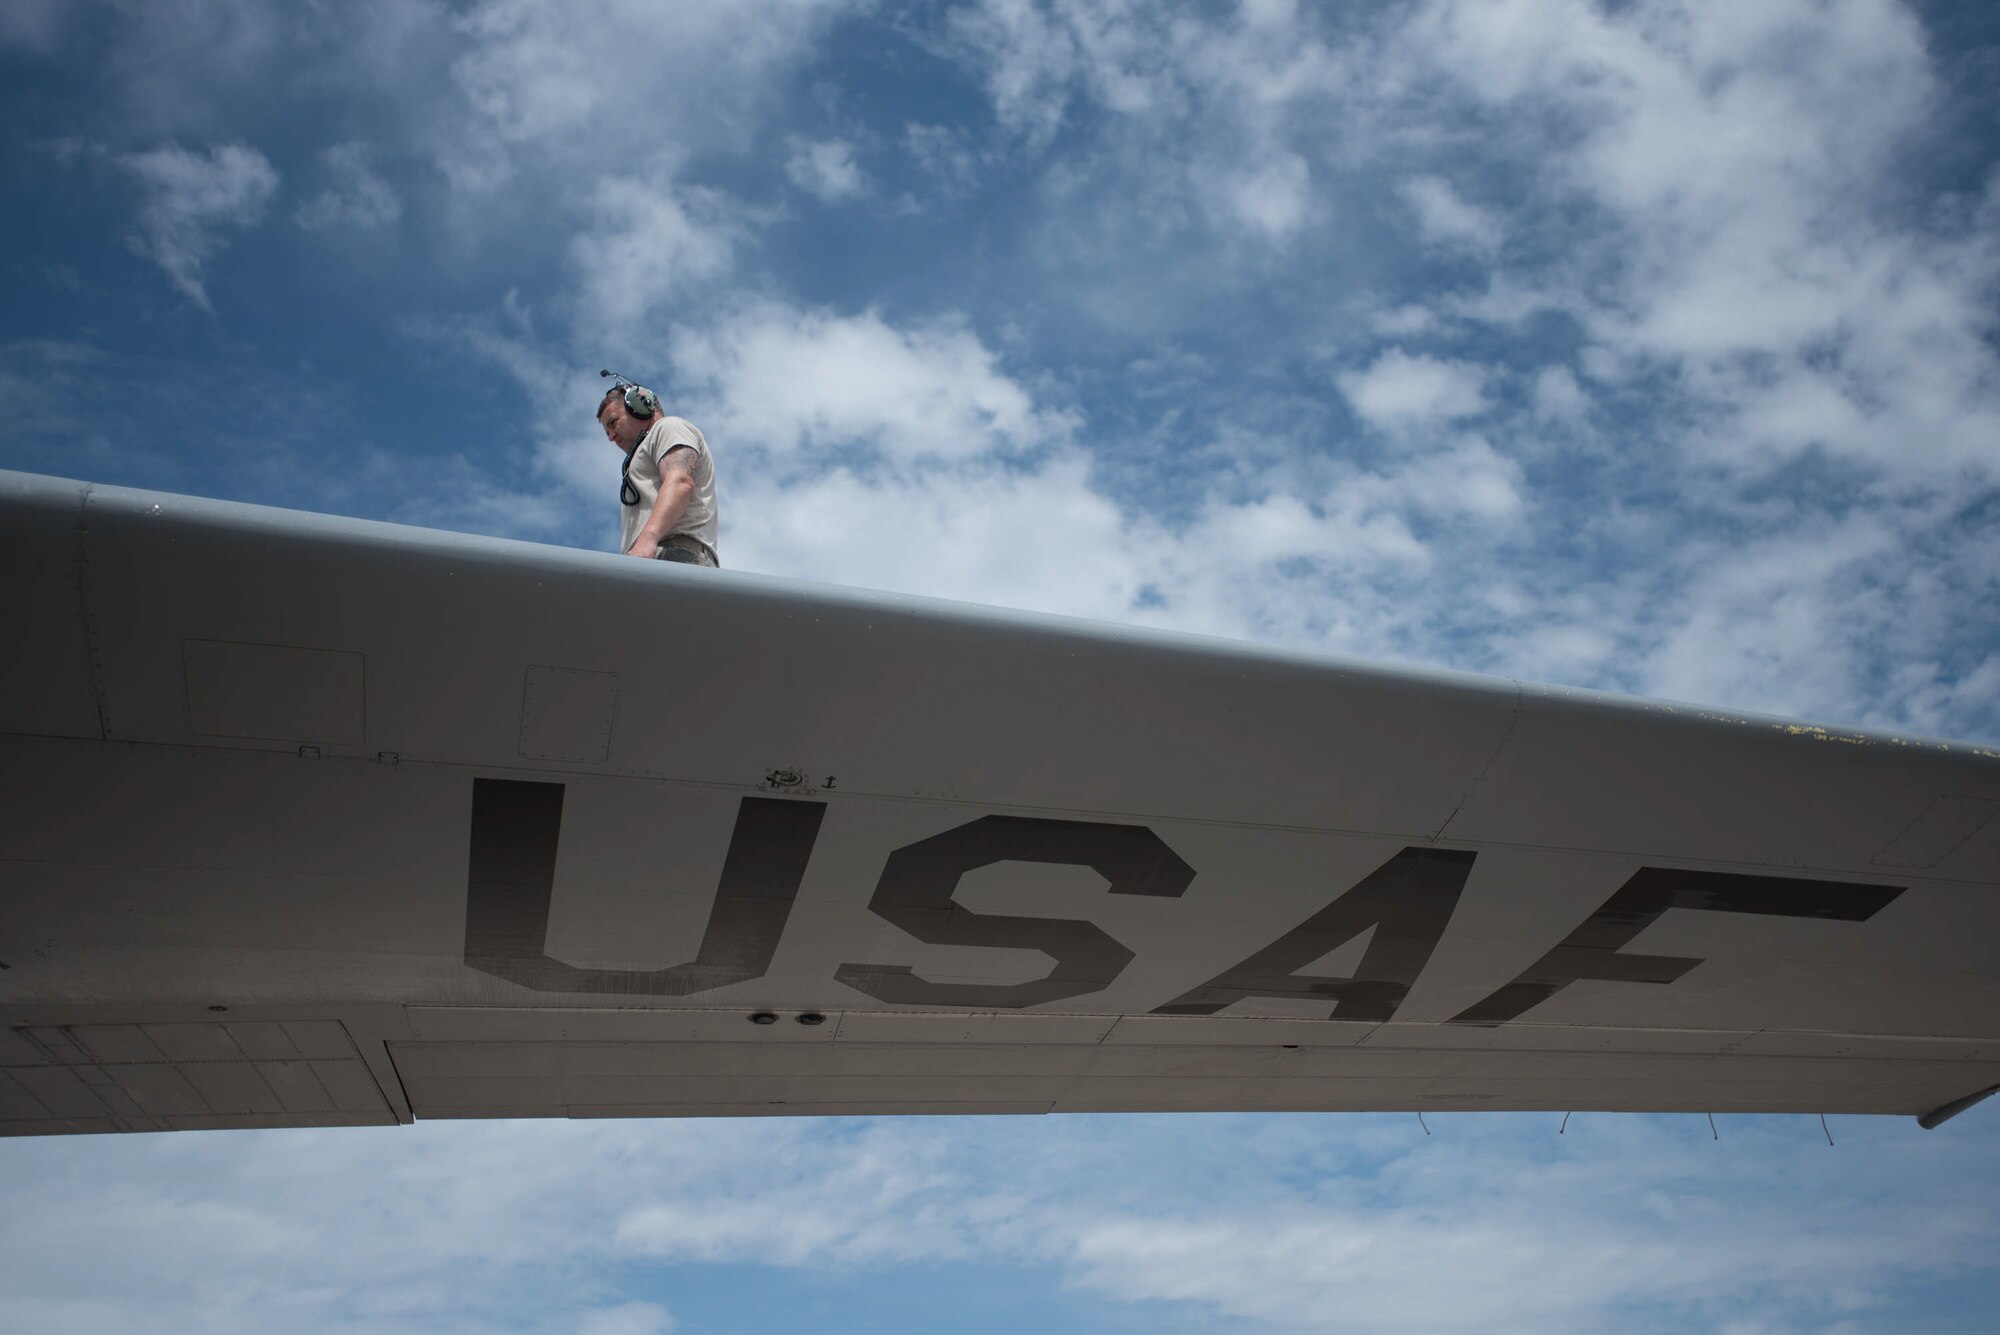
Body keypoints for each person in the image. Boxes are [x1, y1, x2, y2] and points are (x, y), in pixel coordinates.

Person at [597, 383, 720, 566]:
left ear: (639, 406)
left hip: (673, 557)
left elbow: (680, 482)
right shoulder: (648, 447)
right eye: (607, 432)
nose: (611, 437)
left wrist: (648, 539)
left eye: (613, 423)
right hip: (656, 558)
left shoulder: (668, 427)